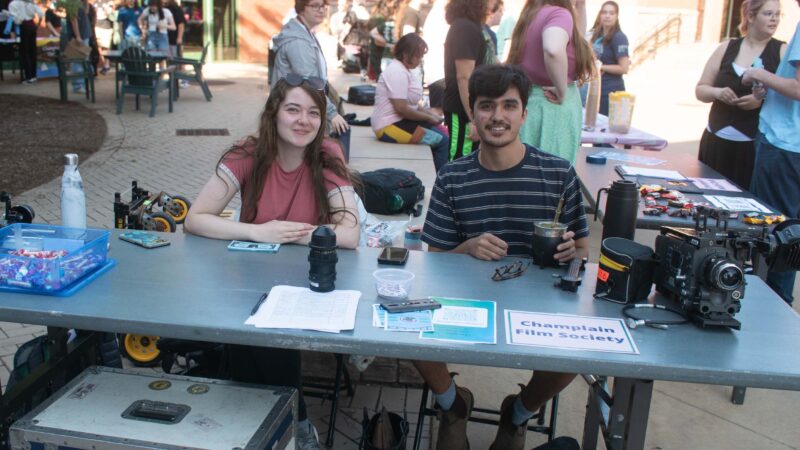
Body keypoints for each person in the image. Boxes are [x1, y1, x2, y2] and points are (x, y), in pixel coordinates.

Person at [184, 74, 360, 450]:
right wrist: (256, 231)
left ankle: (287, 423)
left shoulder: (327, 154)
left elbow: (350, 234)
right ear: (274, 113)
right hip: (248, 279)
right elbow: (195, 218)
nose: (303, 121)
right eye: (293, 109)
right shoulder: (247, 154)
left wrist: (293, 232)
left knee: (267, 337)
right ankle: (287, 424)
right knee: (253, 335)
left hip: (304, 283)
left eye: (314, 112)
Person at [419, 64, 588, 450]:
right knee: (403, 325)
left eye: (509, 105)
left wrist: (570, 251)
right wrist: (466, 247)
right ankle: (453, 404)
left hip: (540, 306)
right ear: (473, 115)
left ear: (524, 114)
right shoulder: (452, 176)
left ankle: (518, 413)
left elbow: (582, 250)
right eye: (487, 106)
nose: (498, 116)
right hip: (467, 301)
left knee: (581, 352)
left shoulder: (558, 173)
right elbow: (435, 257)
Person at [743, 0, 800, 306]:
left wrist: (758, 74)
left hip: (785, 145)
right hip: (789, 146)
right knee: (789, 236)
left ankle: (771, 309)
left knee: (776, 238)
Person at [695, 0, 784, 190]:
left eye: (778, 14)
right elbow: (701, 90)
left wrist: (760, 101)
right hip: (716, 141)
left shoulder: (781, 51)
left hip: (752, 147)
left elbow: (790, 94)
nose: (774, 19)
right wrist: (717, 92)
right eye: (768, 14)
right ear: (751, 16)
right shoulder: (727, 47)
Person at [507, 0, 594, 163]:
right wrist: (562, 90)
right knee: (553, 176)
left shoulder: (534, 12)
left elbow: (575, 41)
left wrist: (581, 6)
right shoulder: (559, 14)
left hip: (531, 103)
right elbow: (553, 48)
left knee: (528, 172)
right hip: (552, 108)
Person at [271, 0, 352, 161]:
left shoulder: (305, 33)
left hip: (298, 107)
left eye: (323, 6)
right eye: (315, 6)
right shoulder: (298, 42)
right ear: (301, 9)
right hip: (294, 111)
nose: (321, 10)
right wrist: (332, 114)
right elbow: (310, 81)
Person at [372, 33, 449, 173]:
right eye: (418, 56)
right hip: (389, 127)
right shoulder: (397, 72)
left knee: (442, 131)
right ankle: (442, 184)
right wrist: (429, 117)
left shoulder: (404, 70)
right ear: (406, 54)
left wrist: (430, 115)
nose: (420, 60)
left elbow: (412, 104)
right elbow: (401, 108)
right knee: (442, 141)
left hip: (399, 122)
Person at [443, 0, 496, 162]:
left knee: (468, 161)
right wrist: (474, 118)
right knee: (459, 161)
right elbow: (464, 77)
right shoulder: (464, 28)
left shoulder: (471, 26)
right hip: (463, 110)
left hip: (471, 108)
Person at [588, 1, 629, 116]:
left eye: (611, 13)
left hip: (611, 92)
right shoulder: (596, 35)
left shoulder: (619, 37)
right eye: (604, 12)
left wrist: (600, 66)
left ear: (617, 16)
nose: (607, 16)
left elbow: (624, 68)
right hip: (595, 90)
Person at [8, 0, 44, 84]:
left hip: (23, 26)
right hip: (32, 25)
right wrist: (37, 25)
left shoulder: (14, 3)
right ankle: (33, 76)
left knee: (25, 52)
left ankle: (29, 77)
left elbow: (16, 18)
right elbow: (41, 14)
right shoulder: (31, 2)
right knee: (33, 51)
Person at [367, 0, 401, 81]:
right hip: (379, 53)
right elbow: (377, 41)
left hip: (377, 53)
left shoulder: (376, 16)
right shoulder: (380, 19)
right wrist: (390, 44)